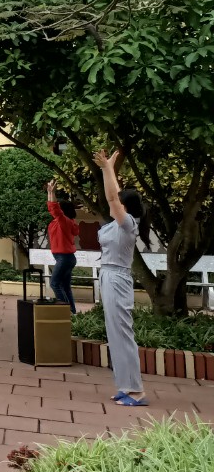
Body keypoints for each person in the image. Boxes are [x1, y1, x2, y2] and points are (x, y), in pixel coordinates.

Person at [93, 151, 149, 407]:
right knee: (114, 334)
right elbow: (115, 196)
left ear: (125, 207)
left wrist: (107, 169)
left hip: (117, 278)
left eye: (119, 204)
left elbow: (112, 197)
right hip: (109, 276)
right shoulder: (120, 223)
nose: (114, 205)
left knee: (123, 334)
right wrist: (109, 169)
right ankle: (126, 386)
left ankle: (136, 391)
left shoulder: (128, 224)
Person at [46, 181, 79, 313]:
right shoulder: (62, 221)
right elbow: (52, 208)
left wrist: (53, 193)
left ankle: (66, 311)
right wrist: (49, 192)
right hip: (66, 258)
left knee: (54, 284)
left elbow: (55, 209)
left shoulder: (64, 221)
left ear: (63, 211)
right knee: (65, 286)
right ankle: (72, 312)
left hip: (64, 258)